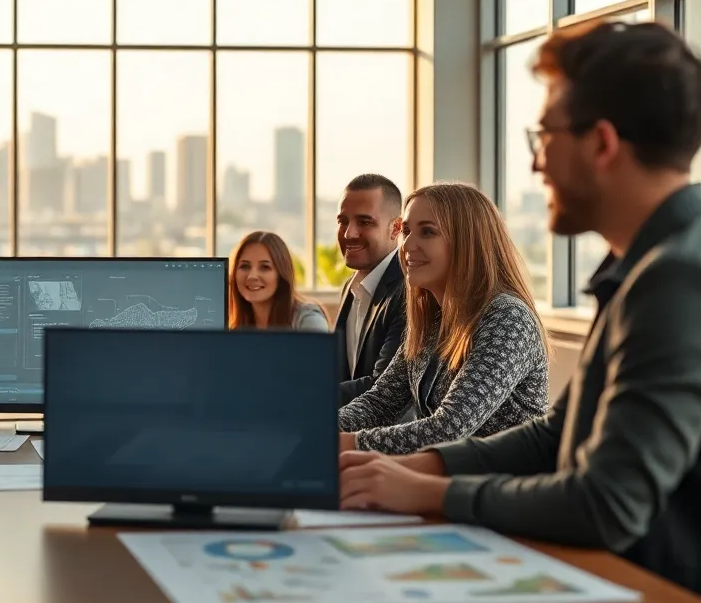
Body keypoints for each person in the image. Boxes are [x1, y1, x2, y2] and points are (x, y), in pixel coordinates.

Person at [339, 20, 701, 594]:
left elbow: (606, 503)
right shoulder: (645, 267)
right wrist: (415, 468)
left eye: (544, 138)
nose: (536, 166)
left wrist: (431, 493)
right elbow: (556, 436)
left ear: (602, 144)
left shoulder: (678, 279)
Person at [338, 182, 548, 455]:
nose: (407, 245)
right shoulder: (433, 322)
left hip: (504, 490)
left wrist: (347, 443)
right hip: (451, 482)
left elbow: (449, 428)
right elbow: (380, 403)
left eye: (428, 232)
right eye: (407, 231)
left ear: (467, 242)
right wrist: (316, 427)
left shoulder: (507, 317)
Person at [334, 174, 406, 407]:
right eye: (343, 221)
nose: (348, 234)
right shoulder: (351, 286)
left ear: (395, 228)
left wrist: (303, 393)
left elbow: (381, 387)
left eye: (364, 222)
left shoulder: (409, 291)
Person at [228, 231, 328, 331]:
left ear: (281, 273)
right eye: (245, 266)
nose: (252, 276)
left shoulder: (308, 320)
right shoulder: (235, 323)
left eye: (265, 267)